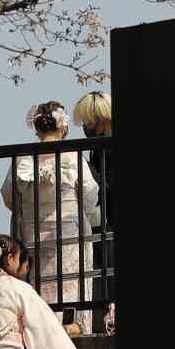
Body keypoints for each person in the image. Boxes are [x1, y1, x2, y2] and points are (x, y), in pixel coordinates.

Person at [3, 101, 99, 333]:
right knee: (71, 278)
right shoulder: (72, 156)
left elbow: (8, 197)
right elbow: (89, 196)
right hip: (68, 232)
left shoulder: (23, 158)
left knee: (37, 281)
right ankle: (74, 324)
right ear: (63, 127)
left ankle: (39, 325)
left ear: (37, 129)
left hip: (32, 232)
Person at [71, 92, 115, 330]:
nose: (86, 127)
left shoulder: (106, 149)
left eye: (88, 122)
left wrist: (91, 174)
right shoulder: (98, 148)